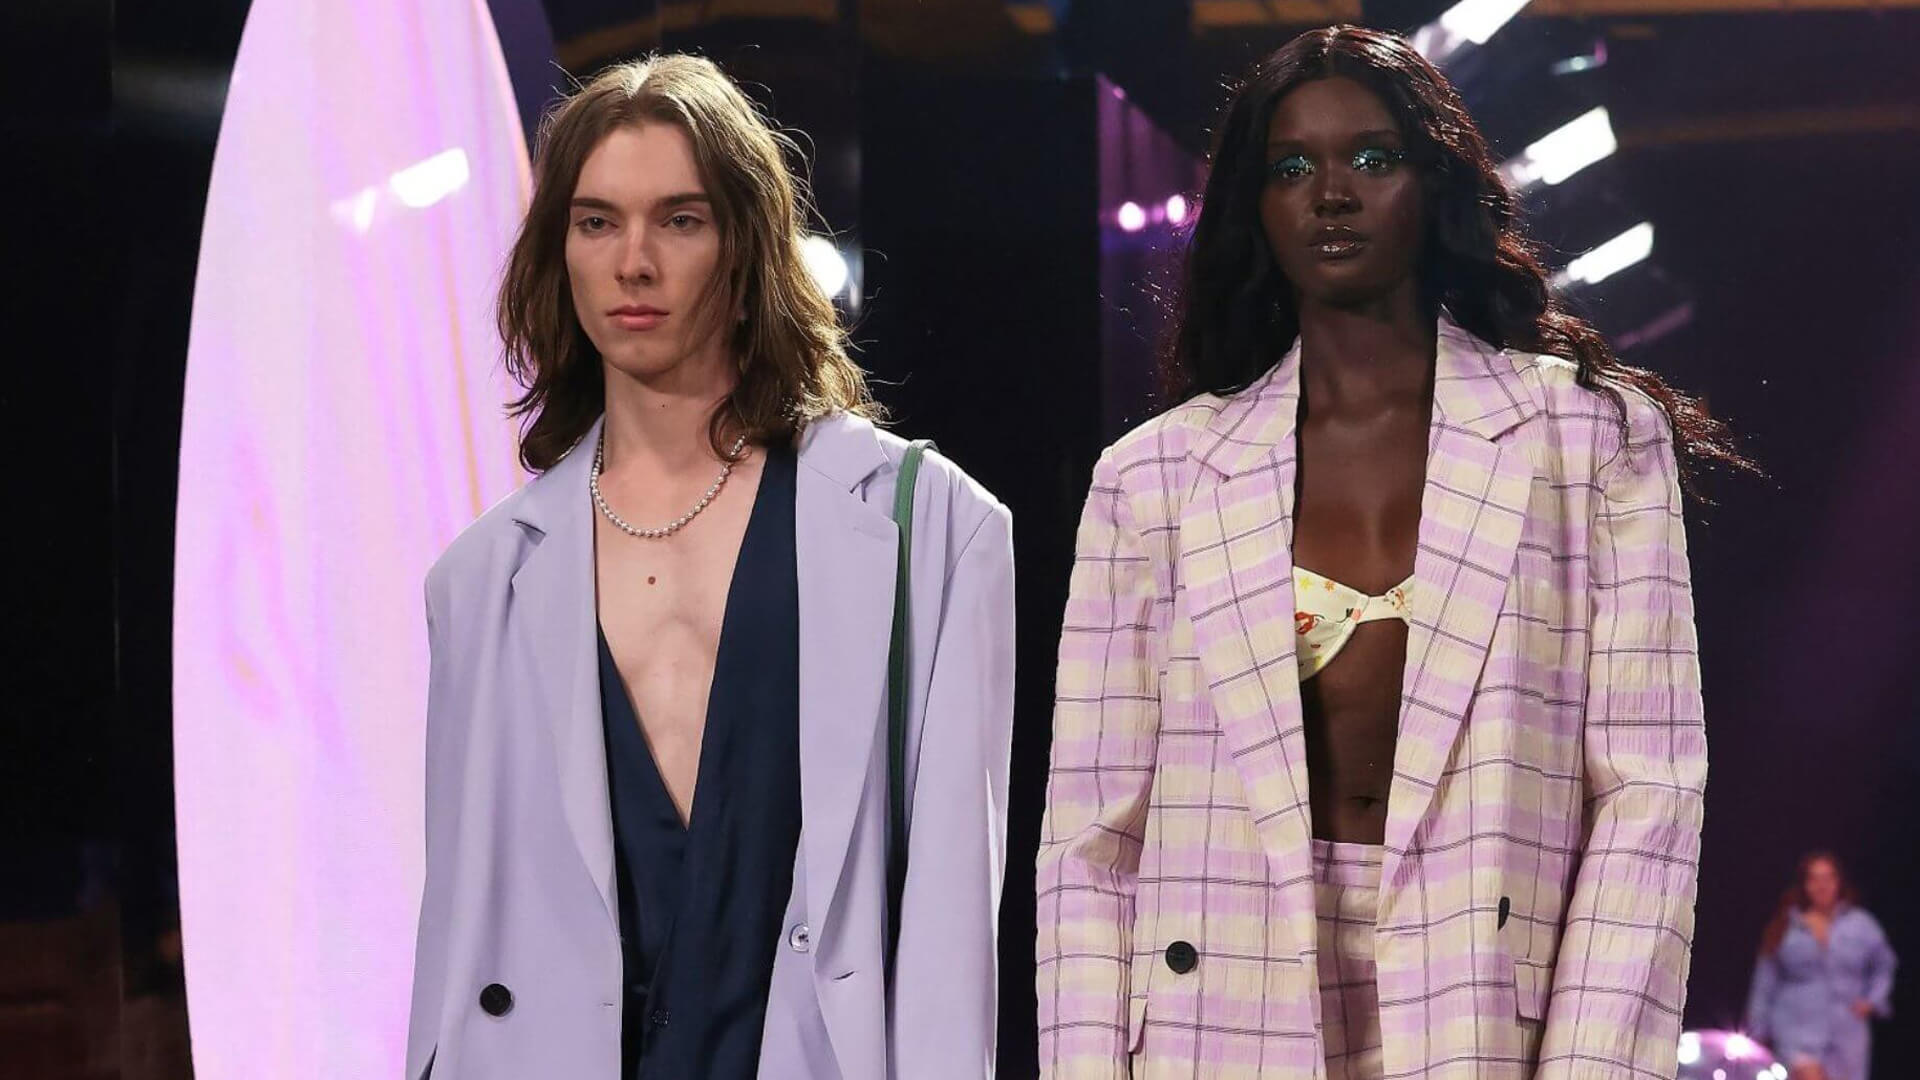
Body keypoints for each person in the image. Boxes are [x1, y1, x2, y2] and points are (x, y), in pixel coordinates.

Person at [1036, 25, 1739, 1079]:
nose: (1331, 194)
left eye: (1372, 158)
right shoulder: (1156, 480)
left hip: (1482, 1007)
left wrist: (1591, 1064)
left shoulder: (1588, 440)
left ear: (1436, 181)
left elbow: (1648, 793)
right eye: (1291, 167)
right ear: (1254, 206)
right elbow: (1089, 843)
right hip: (1211, 1014)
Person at [405, 54, 1015, 1080]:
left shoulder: (930, 529)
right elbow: (461, 934)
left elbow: (952, 916)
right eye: (596, 222)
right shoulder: (480, 583)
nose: (631, 262)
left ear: (746, 249)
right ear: (560, 252)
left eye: (678, 220)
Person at [1746, 852, 1898, 1080]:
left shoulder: (1861, 924)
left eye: (1828, 878)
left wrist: (1873, 1000)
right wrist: (1756, 1031)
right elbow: (1765, 980)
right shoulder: (1786, 926)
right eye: (1814, 879)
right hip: (1796, 1028)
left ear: (1839, 882)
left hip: (1847, 1034)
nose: (1822, 886)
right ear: (1805, 884)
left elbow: (1884, 963)